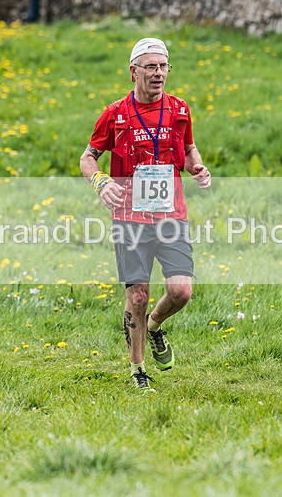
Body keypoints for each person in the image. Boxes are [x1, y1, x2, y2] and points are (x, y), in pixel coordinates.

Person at [80, 38, 211, 391]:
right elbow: (88, 157)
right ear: (133, 71)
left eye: (163, 66)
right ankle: (137, 370)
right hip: (129, 217)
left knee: (181, 291)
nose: (159, 73)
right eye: (151, 66)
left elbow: (188, 149)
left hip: (171, 216)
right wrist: (101, 182)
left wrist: (197, 167)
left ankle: (154, 326)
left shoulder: (179, 109)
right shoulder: (115, 113)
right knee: (137, 295)